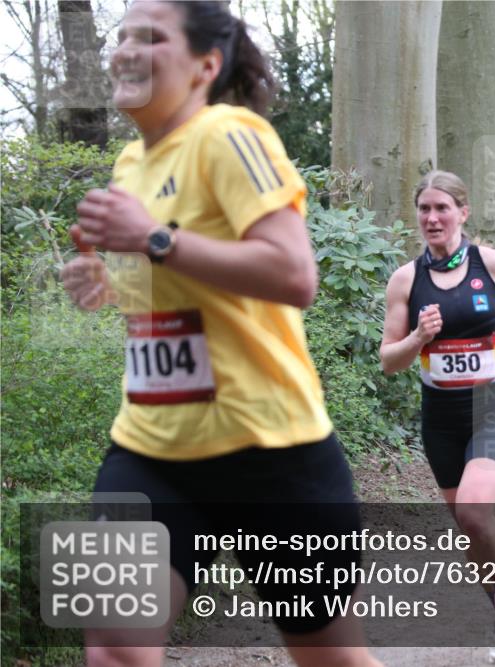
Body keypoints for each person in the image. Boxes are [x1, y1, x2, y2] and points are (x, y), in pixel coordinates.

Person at [59, 2, 381, 665]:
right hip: (148, 448)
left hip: (272, 456)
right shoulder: (128, 164)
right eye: (119, 36)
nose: (123, 49)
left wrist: (150, 238)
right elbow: (174, 294)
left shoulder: (231, 134)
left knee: (330, 659)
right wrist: (106, 279)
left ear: (207, 64)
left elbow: (295, 275)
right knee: (113, 646)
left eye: (148, 37)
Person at [380, 170, 495, 664]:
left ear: (463, 212)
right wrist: (417, 338)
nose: (432, 218)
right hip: (441, 418)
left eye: (442, 208)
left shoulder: (494, 265)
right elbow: (388, 359)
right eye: (424, 209)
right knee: (469, 529)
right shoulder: (406, 279)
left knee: (474, 510)